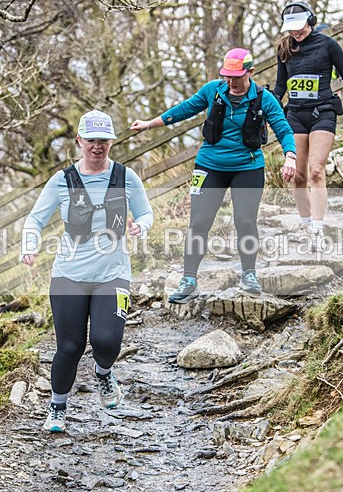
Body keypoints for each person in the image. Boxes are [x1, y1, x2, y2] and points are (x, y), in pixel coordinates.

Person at [20, 110, 153, 433]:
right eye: (91, 140)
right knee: (69, 347)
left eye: (104, 141)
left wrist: (140, 229)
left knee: (107, 341)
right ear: (79, 141)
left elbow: (146, 213)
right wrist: (29, 245)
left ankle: (104, 373)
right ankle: (57, 406)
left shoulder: (125, 177)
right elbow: (34, 220)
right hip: (69, 274)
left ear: (111, 142)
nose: (97, 147)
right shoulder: (62, 181)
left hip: (113, 273)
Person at [130, 48, 297, 303]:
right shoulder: (213, 90)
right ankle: (189, 280)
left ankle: (249, 274)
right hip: (209, 165)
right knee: (198, 223)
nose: (231, 82)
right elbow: (185, 108)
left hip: (247, 167)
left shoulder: (264, 98)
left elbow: (283, 128)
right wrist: (150, 123)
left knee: (244, 221)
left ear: (250, 72)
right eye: (227, 76)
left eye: (237, 77)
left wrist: (290, 156)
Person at [274, 2, 343, 250]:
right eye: (290, 29)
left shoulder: (328, 45)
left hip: (323, 111)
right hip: (295, 114)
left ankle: (317, 227)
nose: (295, 32)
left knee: (315, 170)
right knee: (298, 175)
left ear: (310, 21)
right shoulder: (284, 48)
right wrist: (268, 109)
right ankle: (304, 224)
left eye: (299, 28)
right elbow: (281, 85)